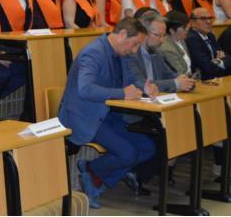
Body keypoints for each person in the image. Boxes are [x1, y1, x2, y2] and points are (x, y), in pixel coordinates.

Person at [58, 18, 157, 209]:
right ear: (121, 35)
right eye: (135, 43)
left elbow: (130, 80)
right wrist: (122, 93)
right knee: (129, 153)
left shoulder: (121, 53)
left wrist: (143, 88)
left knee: (147, 148)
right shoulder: (93, 53)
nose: (135, 50)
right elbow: (85, 90)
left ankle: (93, 173)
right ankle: (93, 174)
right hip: (84, 116)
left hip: (107, 114)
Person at [123, 11, 196, 94]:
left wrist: (186, 82)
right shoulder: (131, 54)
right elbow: (141, 84)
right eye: (158, 35)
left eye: (164, 35)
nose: (161, 40)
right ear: (144, 33)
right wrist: (176, 83)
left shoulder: (157, 53)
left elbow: (170, 76)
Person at [185, 7, 231, 79]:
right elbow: (205, 66)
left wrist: (216, 62)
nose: (208, 21)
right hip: (203, 80)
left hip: (216, 77)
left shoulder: (210, 35)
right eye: (203, 19)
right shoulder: (191, 38)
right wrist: (219, 61)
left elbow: (228, 59)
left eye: (210, 18)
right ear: (192, 23)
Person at [158, 11, 192, 76]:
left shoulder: (181, 39)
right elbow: (180, 73)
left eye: (187, 27)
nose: (187, 29)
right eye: (184, 28)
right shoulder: (167, 49)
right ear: (172, 30)